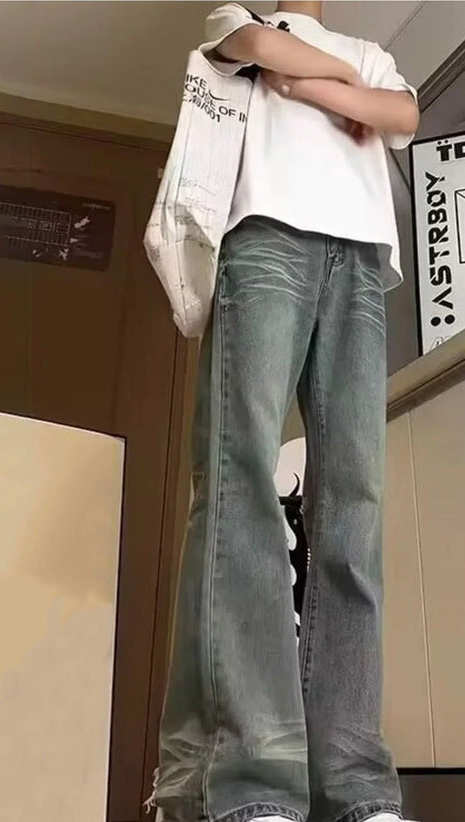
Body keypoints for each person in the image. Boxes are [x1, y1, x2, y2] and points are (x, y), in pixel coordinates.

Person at [150, 4, 420, 822]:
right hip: (264, 236)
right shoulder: (240, 14)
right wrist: (338, 84)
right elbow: (257, 47)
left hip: (360, 259)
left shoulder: (367, 49)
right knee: (239, 483)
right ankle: (254, 777)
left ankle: (354, 784)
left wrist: (306, 80)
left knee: (354, 510)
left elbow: (401, 115)